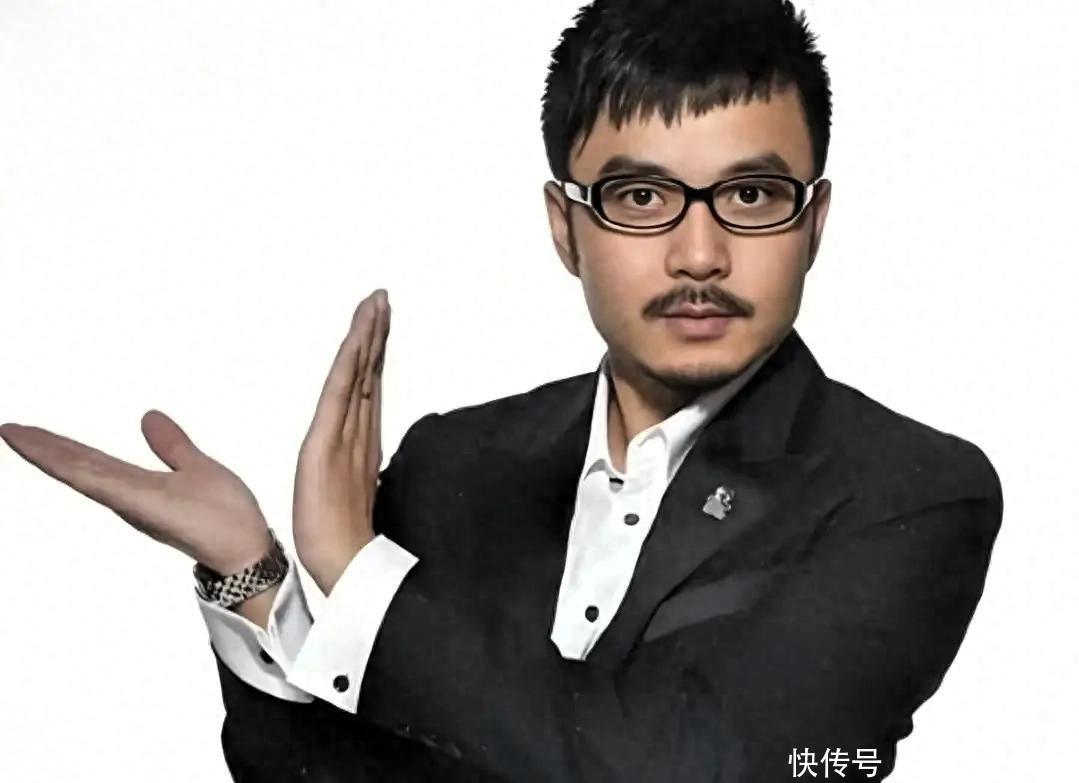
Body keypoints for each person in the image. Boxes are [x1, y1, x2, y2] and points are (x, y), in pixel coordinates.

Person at [0, 0, 1004, 780]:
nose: (698, 254)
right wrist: (254, 576)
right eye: (639, 196)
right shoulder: (456, 463)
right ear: (565, 227)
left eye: (749, 194)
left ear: (812, 222)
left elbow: (703, 767)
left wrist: (360, 576)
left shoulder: (908, 492)